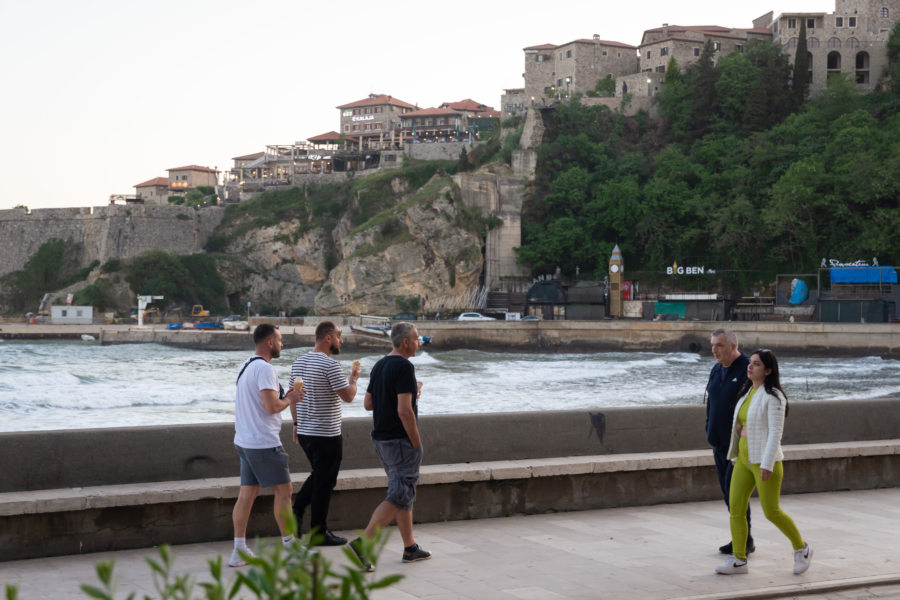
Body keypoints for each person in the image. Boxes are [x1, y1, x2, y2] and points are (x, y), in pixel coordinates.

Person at [715, 349, 813, 575]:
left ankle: (802, 548)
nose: (750, 367)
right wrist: (735, 455)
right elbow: (738, 429)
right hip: (743, 460)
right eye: (750, 363)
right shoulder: (747, 392)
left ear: (768, 370)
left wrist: (767, 464)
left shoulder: (774, 397)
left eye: (756, 364)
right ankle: (738, 560)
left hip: (764, 462)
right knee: (736, 509)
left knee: (771, 511)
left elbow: (775, 433)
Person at [350, 322, 431, 572]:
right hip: (400, 441)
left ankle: (410, 548)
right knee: (398, 494)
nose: (420, 342)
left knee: (403, 490)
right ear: (405, 342)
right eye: (417, 339)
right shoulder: (405, 367)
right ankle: (364, 543)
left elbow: (367, 403)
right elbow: (404, 411)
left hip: (381, 439)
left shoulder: (380, 364)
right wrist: (415, 441)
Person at [230, 324, 305, 568]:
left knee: (246, 494)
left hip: (244, 440)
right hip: (263, 442)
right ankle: (290, 547)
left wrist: (285, 398)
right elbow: (272, 406)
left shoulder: (245, 365)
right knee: (284, 491)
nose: (283, 344)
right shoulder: (264, 369)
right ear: (270, 343)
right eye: (281, 340)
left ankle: (239, 550)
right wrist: (290, 399)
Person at [288, 321, 361, 546]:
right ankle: (314, 526)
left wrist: (296, 424)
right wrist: (354, 379)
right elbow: (348, 397)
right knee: (324, 480)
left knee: (322, 478)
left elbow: (292, 395)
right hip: (327, 434)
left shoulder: (298, 362)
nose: (341, 340)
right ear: (328, 338)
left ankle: (303, 516)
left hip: (307, 432)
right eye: (339, 336)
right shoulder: (330, 365)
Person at [706, 328, 753, 555]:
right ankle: (744, 538)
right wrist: (708, 427)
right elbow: (711, 403)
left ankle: (744, 540)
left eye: (719, 345)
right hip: (718, 443)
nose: (714, 350)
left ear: (733, 346)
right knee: (728, 494)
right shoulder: (716, 369)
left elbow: (752, 407)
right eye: (713, 345)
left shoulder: (747, 369)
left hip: (738, 446)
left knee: (736, 493)